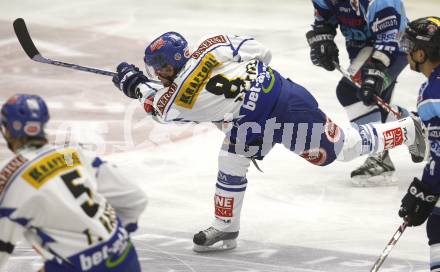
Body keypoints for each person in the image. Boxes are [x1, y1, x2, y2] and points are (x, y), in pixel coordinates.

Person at [111, 32, 426, 252]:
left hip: (283, 114)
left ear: (167, 65)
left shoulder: (177, 96)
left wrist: (136, 85)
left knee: (340, 150)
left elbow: (159, 110)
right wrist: (247, 90)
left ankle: (408, 129)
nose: (158, 73)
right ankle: (225, 226)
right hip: (276, 99)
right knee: (231, 159)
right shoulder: (213, 45)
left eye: (159, 69)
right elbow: (261, 51)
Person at [0, 94, 148, 271]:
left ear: (8, 130)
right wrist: (114, 241)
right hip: (124, 256)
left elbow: (2, 247)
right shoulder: (73, 155)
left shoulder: (11, 180)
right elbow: (136, 199)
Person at [306, 0, 411, 186]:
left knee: (350, 92)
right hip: (363, 50)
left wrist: (376, 70)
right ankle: (426, 126)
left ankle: (381, 152)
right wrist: (322, 40)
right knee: (375, 105)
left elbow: (389, 37)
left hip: (394, 48)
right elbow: (323, 21)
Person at [396, 16, 440, 272]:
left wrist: (424, 190)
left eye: (409, 46)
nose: (407, 51)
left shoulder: (432, 92)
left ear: (421, 53)